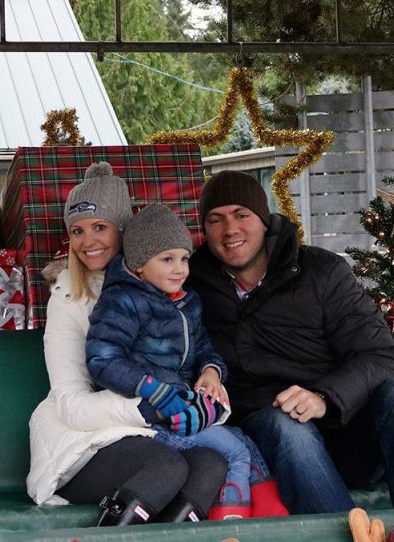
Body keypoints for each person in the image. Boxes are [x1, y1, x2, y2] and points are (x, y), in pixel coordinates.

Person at [186, 170, 394, 514]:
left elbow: (384, 358)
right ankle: (356, 535)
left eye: (241, 215)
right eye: (216, 220)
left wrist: (325, 397)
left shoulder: (321, 272)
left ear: (264, 220)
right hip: (269, 436)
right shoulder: (191, 285)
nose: (230, 229)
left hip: (348, 431)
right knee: (287, 426)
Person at [27, 163, 227, 526]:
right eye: (77, 231)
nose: (88, 242)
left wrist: (209, 374)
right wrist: (151, 406)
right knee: (164, 467)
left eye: (100, 227)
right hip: (83, 442)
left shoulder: (162, 282)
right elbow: (71, 405)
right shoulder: (68, 298)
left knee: (210, 465)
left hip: (151, 432)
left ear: (125, 230)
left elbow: (191, 352)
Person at [86, 203, 289, 521]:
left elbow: (205, 349)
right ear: (140, 265)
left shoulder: (186, 301)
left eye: (183, 258)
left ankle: (269, 512)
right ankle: (233, 519)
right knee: (234, 452)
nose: (180, 268)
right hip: (148, 415)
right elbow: (103, 360)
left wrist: (211, 372)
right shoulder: (122, 301)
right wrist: (156, 390)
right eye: (167, 259)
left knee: (241, 440)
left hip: (182, 404)